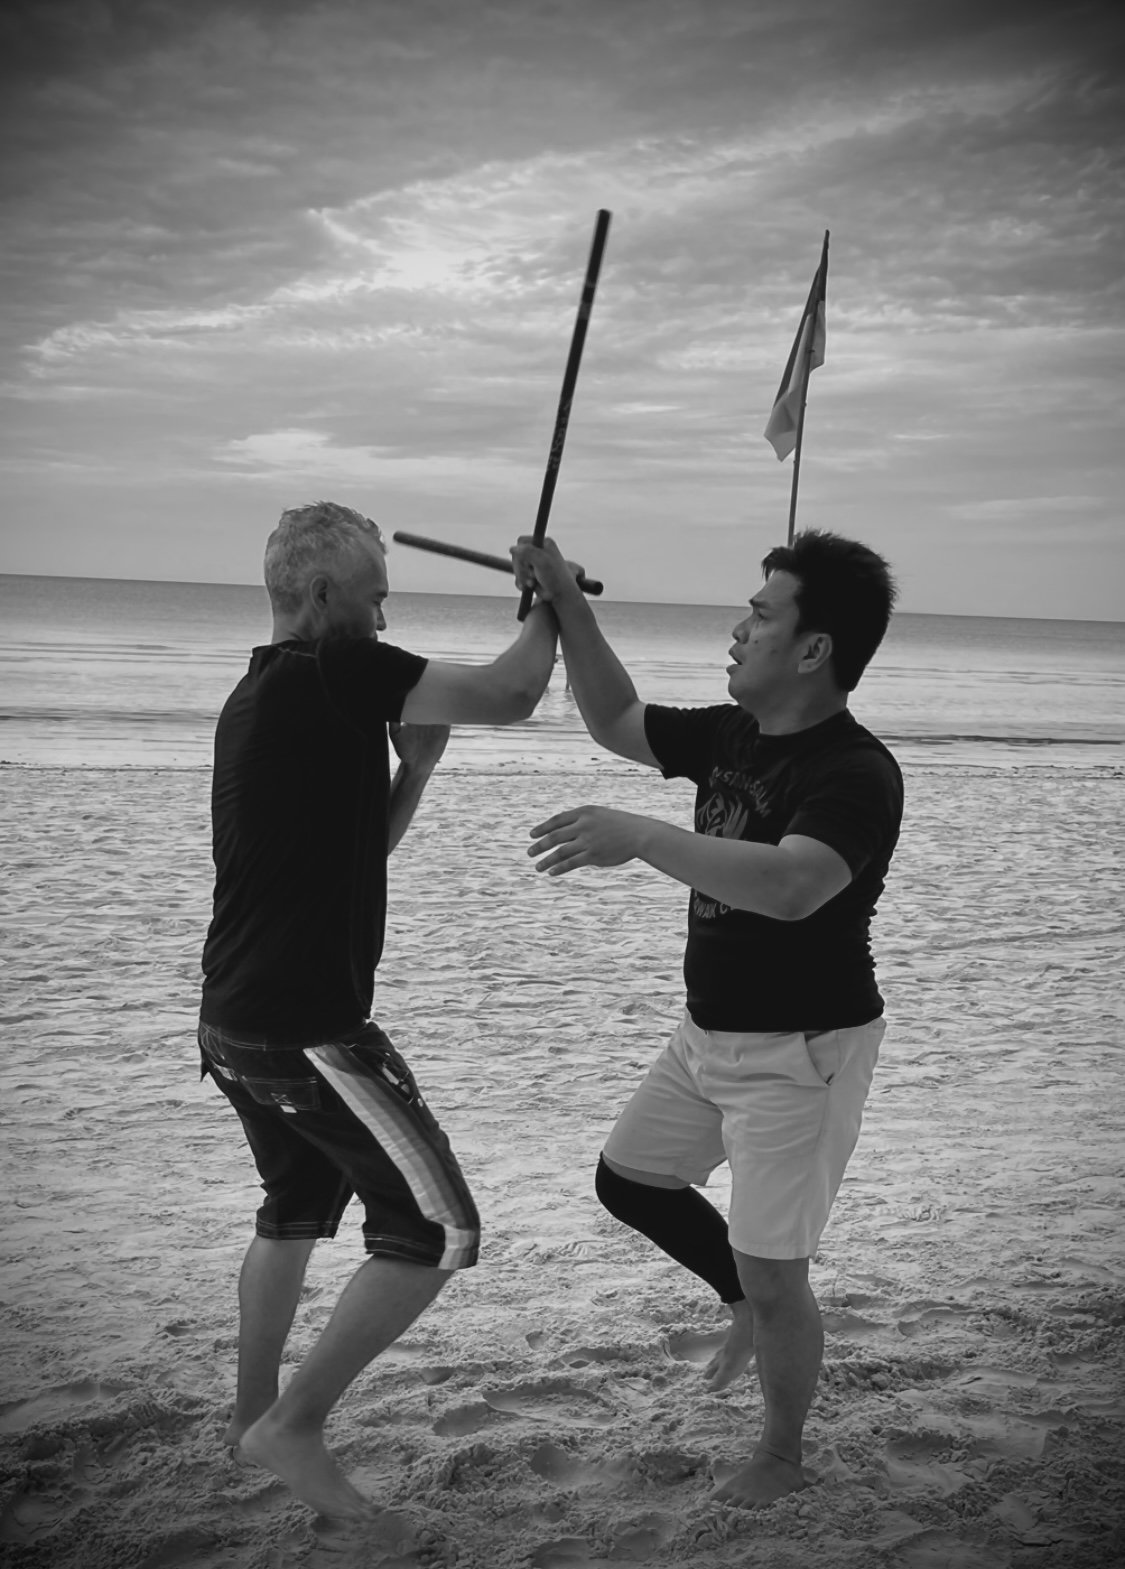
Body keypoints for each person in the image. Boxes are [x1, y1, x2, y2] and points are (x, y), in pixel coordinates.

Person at [512, 528, 902, 1510]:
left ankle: (781, 1453)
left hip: (802, 1054)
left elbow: (793, 885)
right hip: (708, 1032)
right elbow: (617, 718)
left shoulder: (855, 772)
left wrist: (640, 835)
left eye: (763, 613)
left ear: (813, 650)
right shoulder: (731, 738)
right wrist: (564, 600)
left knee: (778, 1273)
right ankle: (743, 1303)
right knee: (630, 1179)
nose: (739, 628)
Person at [198, 500, 558, 1522]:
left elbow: (354, 859)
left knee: (294, 1213)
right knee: (438, 1227)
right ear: (322, 598)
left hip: (233, 1023)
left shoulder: (262, 695)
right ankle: (292, 1425)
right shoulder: (339, 670)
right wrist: (552, 598)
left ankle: (251, 1418)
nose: (385, 617)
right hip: (305, 1029)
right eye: (375, 598)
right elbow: (513, 691)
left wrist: (419, 771)